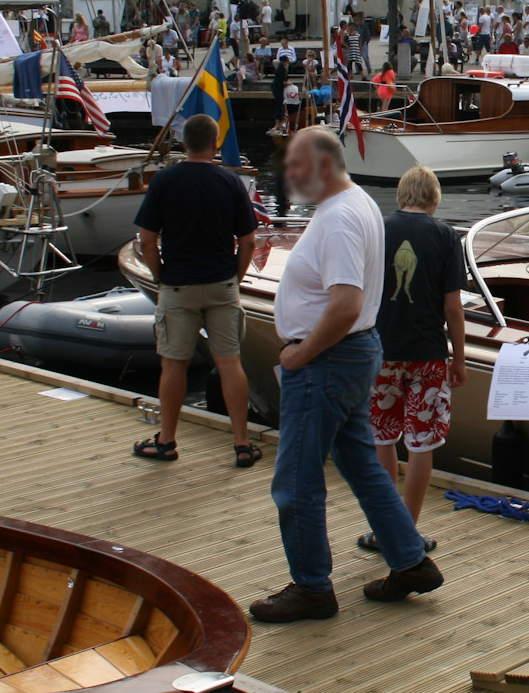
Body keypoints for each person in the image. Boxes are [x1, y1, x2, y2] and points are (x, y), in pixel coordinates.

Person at [253, 128, 443, 623]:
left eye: (295, 166)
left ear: (321, 165)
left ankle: (313, 588)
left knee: (295, 480)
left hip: (328, 360)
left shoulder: (338, 219)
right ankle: (410, 560)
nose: (289, 176)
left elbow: (346, 303)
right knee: (361, 465)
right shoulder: (357, 202)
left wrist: (299, 354)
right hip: (357, 353)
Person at [130, 114, 260, 468]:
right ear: (215, 142)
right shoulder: (231, 182)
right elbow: (248, 241)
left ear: (183, 144)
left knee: (173, 365)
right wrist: (234, 275)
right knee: (230, 362)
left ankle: (167, 441)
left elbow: (147, 239)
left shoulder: (165, 181)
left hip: (178, 284)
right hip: (221, 285)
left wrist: (160, 276)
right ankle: (243, 444)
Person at [361, 166, 466, 554]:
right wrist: (459, 358)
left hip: (379, 351)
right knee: (421, 444)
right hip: (427, 355)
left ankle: (382, 529)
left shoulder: (377, 228)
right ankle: (408, 532)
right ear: (434, 199)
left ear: (400, 195)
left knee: (381, 438)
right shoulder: (445, 236)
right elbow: (453, 307)